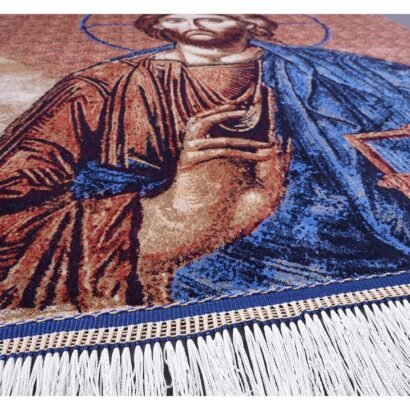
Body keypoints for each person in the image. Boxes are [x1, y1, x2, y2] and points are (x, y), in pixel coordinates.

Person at [0, 14, 409, 311]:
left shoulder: (333, 74)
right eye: (177, 13)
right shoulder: (98, 87)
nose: (194, 19)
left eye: (213, 12)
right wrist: (171, 216)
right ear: (158, 24)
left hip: (339, 238)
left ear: (253, 21)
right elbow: (13, 200)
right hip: (184, 254)